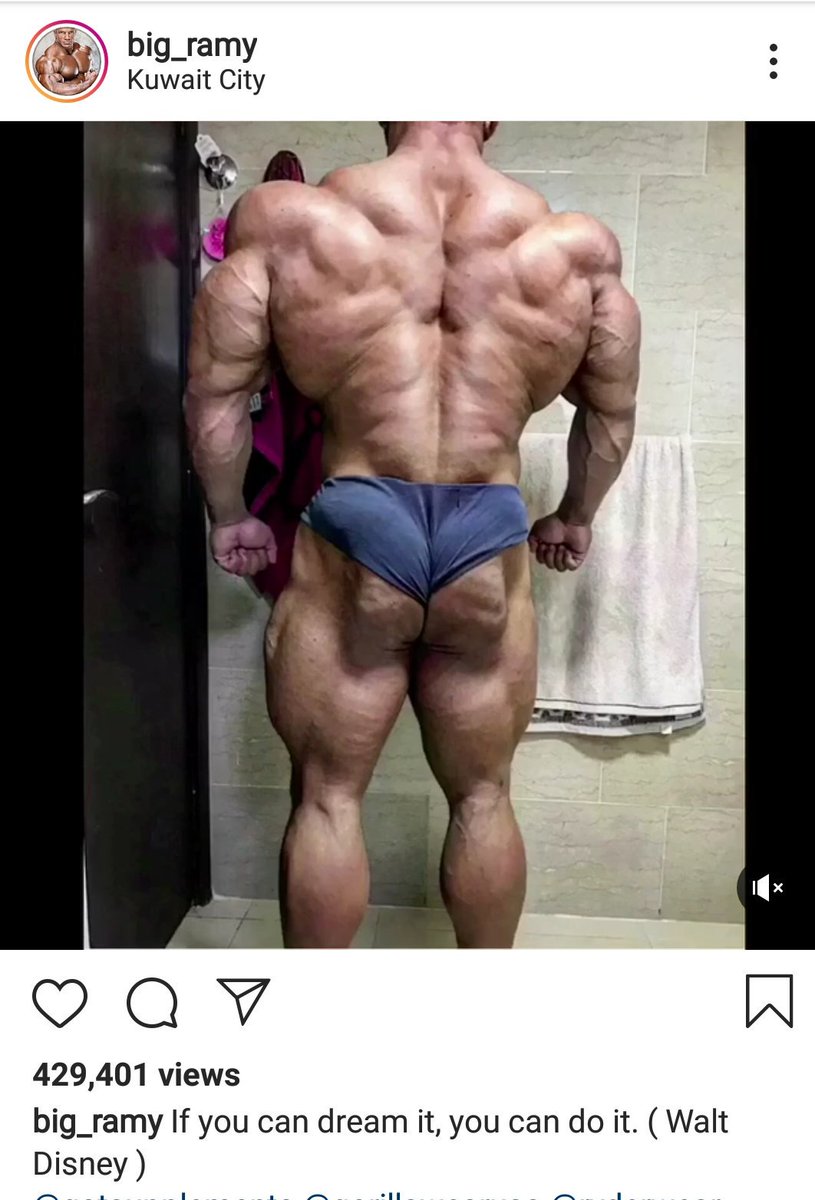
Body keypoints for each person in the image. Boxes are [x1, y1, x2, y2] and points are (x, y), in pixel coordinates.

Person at [184, 122, 640, 949]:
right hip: (485, 524)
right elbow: (610, 417)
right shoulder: (574, 249)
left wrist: (230, 514)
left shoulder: (289, 220)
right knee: (484, 797)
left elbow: (215, 396)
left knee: (327, 798)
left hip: (358, 517)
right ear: (489, 116)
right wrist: (574, 514)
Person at [35, 28, 97, 96]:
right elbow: (53, 88)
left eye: (70, 32)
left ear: (75, 32)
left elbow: (91, 72)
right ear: (55, 34)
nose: (67, 37)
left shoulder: (80, 49)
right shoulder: (49, 60)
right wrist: (89, 83)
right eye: (62, 32)